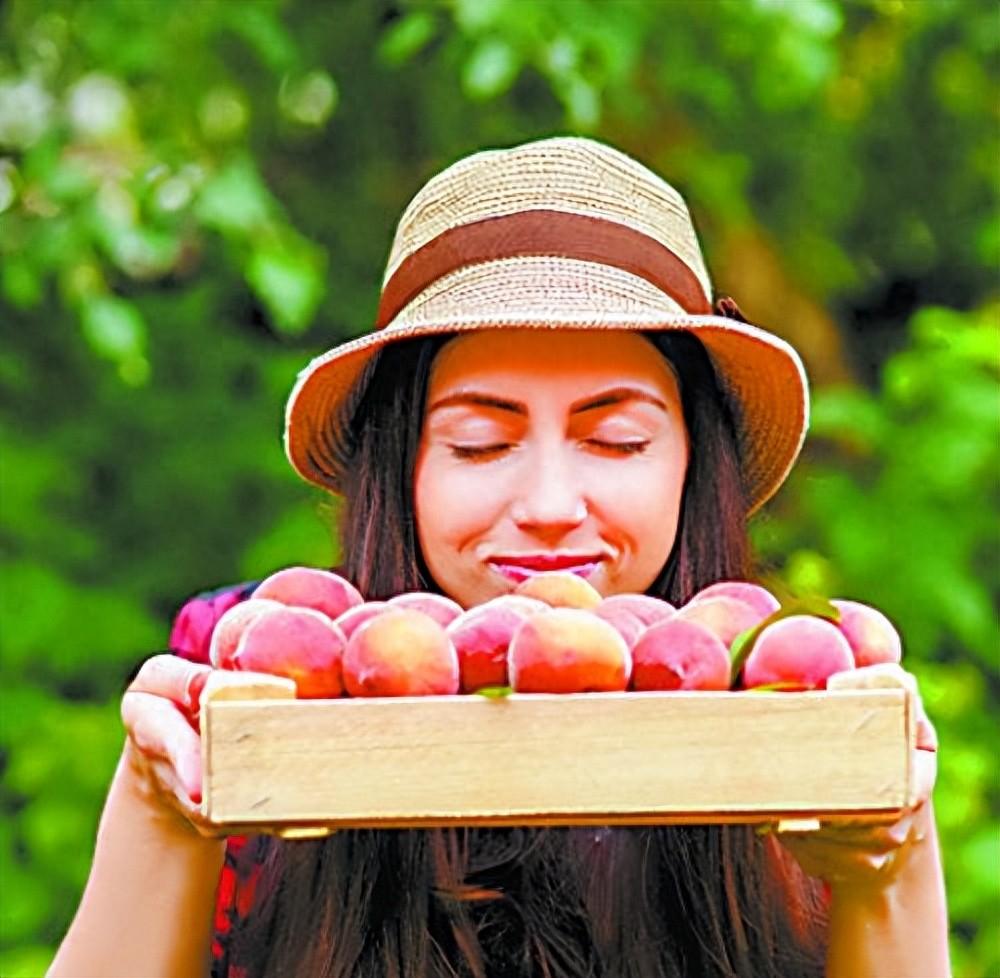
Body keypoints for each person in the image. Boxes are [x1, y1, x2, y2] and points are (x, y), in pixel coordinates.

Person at [48, 136, 949, 978]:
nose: (550, 509)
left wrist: (886, 863)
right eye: (479, 443)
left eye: (620, 440)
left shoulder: (791, 699)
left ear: (690, 462)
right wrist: (159, 812)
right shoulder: (269, 677)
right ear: (402, 466)